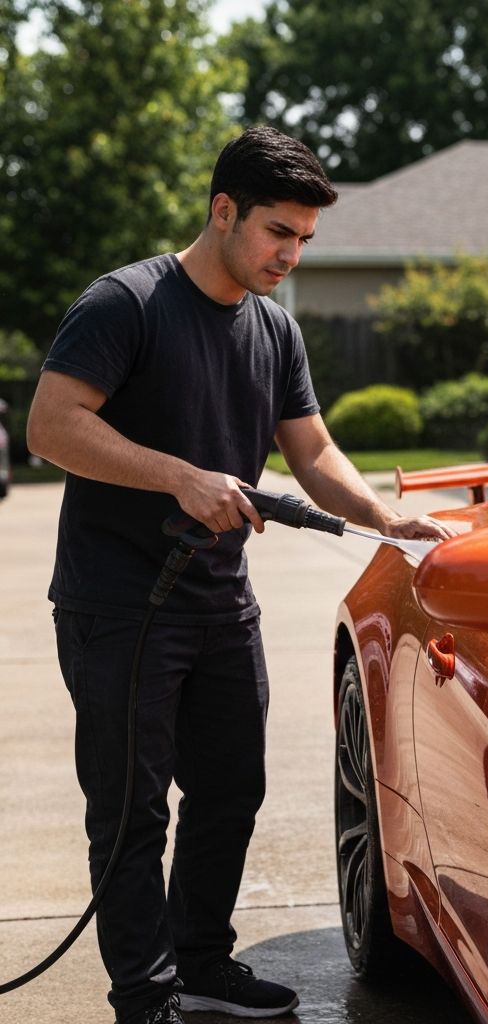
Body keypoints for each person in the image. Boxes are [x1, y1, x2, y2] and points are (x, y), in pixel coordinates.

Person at [26, 125, 453, 1024]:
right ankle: (145, 999)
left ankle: (201, 962)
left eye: (303, 240)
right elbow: (52, 426)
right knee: (133, 812)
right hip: (119, 605)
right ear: (223, 211)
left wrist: (380, 514)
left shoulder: (273, 329)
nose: (289, 255)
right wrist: (179, 475)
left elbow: (313, 448)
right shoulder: (126, 304)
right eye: (276, 233)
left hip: (222, 602)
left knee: (231, 790)